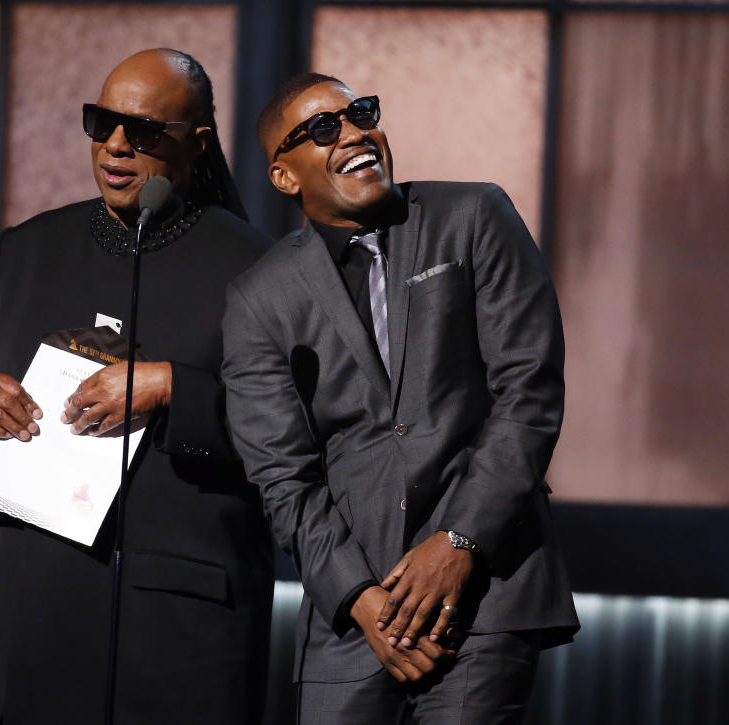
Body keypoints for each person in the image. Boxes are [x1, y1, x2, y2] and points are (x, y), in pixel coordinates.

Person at [0, 49, 274, 724]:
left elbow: (299, 422)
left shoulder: (258, 267)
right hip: (28, 602)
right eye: (101, 121)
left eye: (141, 130)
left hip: (175, 622)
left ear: (197, 142)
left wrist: (174, 387)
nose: (114, 144)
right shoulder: (26, 249)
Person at [221, 73, 579, 723]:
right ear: (283, 176)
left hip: (485, 592)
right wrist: (357, 596)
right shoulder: (259, 297)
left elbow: (528, 389)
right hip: (353, 616)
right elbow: (280, 471)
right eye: (324, 128)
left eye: (360, 113)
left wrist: (459, 537)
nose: (356, 132)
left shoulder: (472, 216)